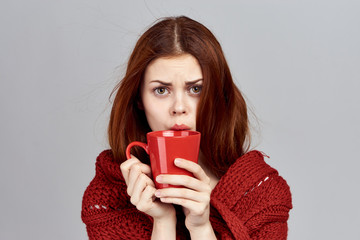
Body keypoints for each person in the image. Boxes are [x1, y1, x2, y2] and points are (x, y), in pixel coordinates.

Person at [81, 16, 292, 240]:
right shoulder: (109, 196)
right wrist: (163, 222)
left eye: (196, 89)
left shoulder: (261, 194)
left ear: (218, 95)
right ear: (138, 99)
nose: (179, 108)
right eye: (161, 90)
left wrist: (201, 228)